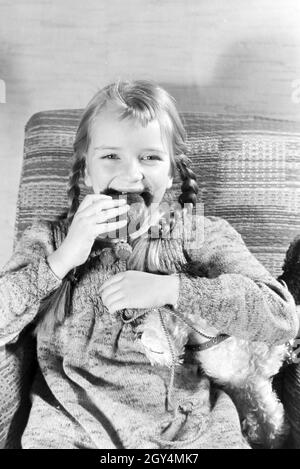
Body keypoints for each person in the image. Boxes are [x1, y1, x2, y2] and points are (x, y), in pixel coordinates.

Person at [0, 80, 298, 449]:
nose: (131, 174)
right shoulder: (50, 240)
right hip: (70, 431)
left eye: (150, 157)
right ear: (86, 171)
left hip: (190, 432)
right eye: (111, 156)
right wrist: (61, 261)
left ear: (171, 173)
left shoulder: (197, 234)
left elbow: (281, 316)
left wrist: (172, 289)